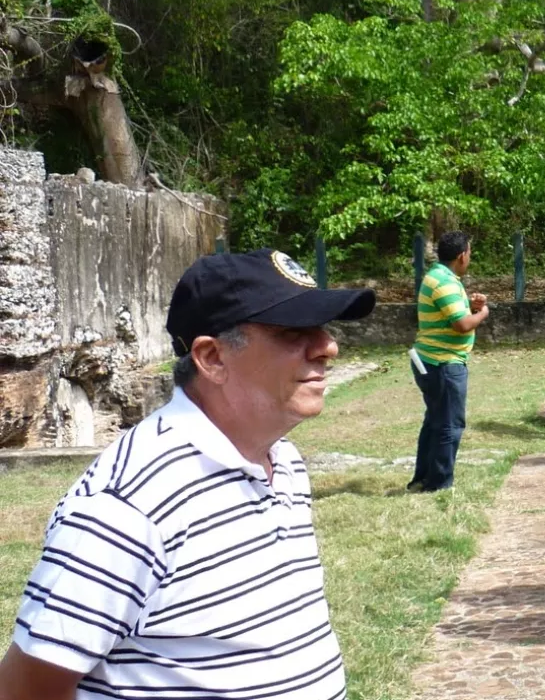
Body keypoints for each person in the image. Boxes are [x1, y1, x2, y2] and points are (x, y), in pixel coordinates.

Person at [0, 249, 374, 700]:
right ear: (212, 357)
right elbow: (25, 688)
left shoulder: (282, 460)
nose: (328, 346)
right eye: (293, 331)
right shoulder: (133, 503)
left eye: (323, 327)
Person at [410, 231, 490, 492]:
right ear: (462, 255)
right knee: (450, 425)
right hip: (443, 363)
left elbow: (451, 310)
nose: (470, 258)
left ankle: (424, 477)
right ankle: (439, 483)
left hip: (431, 359)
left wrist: (470, 303)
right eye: (470, 253)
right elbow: (462, 324)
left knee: (434, 420)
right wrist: (483, 313)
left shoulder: (439, 277)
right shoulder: (444, 281)